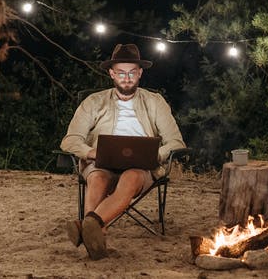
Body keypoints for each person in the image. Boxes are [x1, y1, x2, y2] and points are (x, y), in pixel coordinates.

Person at [60, 43, 185, 260]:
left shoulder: (155, 102)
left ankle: (89, 225)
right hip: (101, 162)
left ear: (140, 73)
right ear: (111, 74)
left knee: (131, 176)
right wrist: (92, 153)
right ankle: (97, 234)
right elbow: (70, 140)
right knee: (97, 177)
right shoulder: (94, 102)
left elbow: (176, 142)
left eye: (131, 73)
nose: (126, 78)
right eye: (121, 73)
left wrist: (155, 155)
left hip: (141, 166)